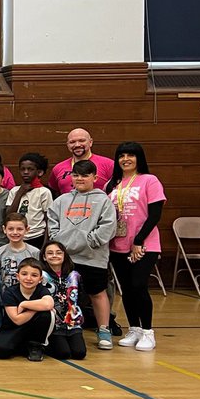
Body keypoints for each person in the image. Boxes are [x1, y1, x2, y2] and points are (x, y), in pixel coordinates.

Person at [47, 159, 117, 350]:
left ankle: (104, 329)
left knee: (97, 293)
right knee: (65, 294)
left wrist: (90, 241)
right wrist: (61, 244)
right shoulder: (61, 201)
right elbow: (52, 224)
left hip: (93, 257)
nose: (79, 178)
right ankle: (66, 327)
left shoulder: (103, 200)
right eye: (75, 175)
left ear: (95, 177)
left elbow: (108, 227)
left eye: (85, 175)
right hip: (67, 258)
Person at [106, 141, 165, 351]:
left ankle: (148, 331)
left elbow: (155, 214)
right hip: (118, 245)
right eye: (121, 156)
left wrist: (139, 240)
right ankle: (134, 328)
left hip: (144, 244)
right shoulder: (112, 184)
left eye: (130, 155)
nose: (125, 159)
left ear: (139, 158)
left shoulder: (150, 181)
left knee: (139, 285)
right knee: (127, 289)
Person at [0, 259, 55, 361]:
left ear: (40, 279)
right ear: (17, 276)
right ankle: (23, 347)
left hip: (33, 329)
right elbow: (17, 320)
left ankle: (36, 345)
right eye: (24, 274)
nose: (28, 278)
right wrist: (36, 308)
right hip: (12, 328)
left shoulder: (41, 289)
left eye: (34, 275)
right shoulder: (10, 292)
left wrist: (24, 304)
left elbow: (49, 304)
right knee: (1, 351)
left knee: (47, 314)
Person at [41, 240, 86, 360]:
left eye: (58, 253)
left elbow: (82, 296)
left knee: (79, 353)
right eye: (50, 253)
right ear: (44, 257)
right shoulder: (42, 276)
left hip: (73, 323)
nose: (54, 255)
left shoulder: (74, 275)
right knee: (63, 354)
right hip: (54, 324)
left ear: (64, 255)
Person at [49, 127, 113, 196]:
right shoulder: (58, 168)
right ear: (67, 145)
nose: (77, 145)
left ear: (90, 142)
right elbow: (54, 192)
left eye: (81, 141)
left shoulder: (109, 165)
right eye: (72, 142)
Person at [0, 213, 41, 293]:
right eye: (11, 229)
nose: (15, 232)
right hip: (6, 296)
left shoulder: (34, 252)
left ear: (27, 229)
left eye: (19, 229)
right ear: (4, 229)